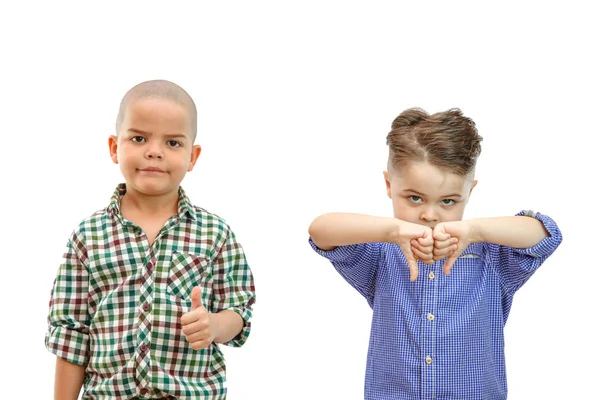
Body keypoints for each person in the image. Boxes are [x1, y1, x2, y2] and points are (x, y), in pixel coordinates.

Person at [307, 108, 562, 399]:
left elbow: (546, 234)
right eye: (414, 198)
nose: (430, 214)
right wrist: (392, 232)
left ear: (469, 191)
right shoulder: (380, 254)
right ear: (390, 185)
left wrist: (474, 231)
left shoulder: (491, 255)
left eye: (449, 201)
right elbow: (320, 230)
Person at [45, 79, 256, 400]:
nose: (154, 151)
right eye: (139, 138)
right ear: (115, 148)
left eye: (173, 143)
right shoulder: (88, 235)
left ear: (192, 156)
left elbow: (239, 313)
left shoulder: (215, 233)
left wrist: (214, 324)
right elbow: (71, 335)